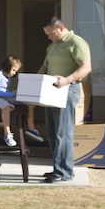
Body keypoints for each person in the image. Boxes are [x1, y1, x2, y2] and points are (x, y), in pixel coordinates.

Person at [38, 16, 91, 183]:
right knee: (52, 132)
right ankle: (58, 168)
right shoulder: (52, 47)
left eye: (51, 34)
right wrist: (36, 81)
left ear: (61, 28)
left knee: (63, 132)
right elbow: (45, 67)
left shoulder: (76, 42)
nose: (49, 37)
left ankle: (64, 172)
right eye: (47, 35)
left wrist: (66, 80)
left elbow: (86, 67)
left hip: (67, 90)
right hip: (51, 92)